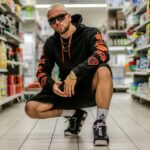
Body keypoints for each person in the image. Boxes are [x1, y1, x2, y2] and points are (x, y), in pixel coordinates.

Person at [25, 3, 113, 146]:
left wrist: (75, 73)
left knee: (103, 70)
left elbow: (102, 53)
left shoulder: (90, 33)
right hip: (66, 91)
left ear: (69, 17)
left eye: (60, 17)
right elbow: (41, 71)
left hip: (90, 88)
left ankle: (100, 124)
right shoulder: (51, 43)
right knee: (31, 108)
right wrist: (52, 85)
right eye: (52, 21)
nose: (57, 22)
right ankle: (74, 115)